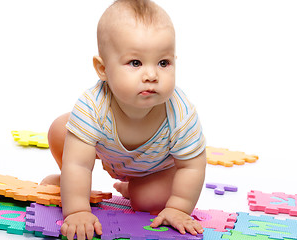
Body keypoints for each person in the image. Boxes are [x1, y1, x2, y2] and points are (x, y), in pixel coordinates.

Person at [41, 0, 207, 239]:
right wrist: (77, 210)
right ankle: (70, 184)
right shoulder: (93, 105)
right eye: (135, 63)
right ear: (103, 69)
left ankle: (133, 188)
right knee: (61, 130)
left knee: (146, 200)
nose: (151, 75)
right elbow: (78, 163)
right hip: (105, 151)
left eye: (163, 63)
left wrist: (178, 208)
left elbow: (192, 165)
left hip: (155, 169)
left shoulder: (180, 113)